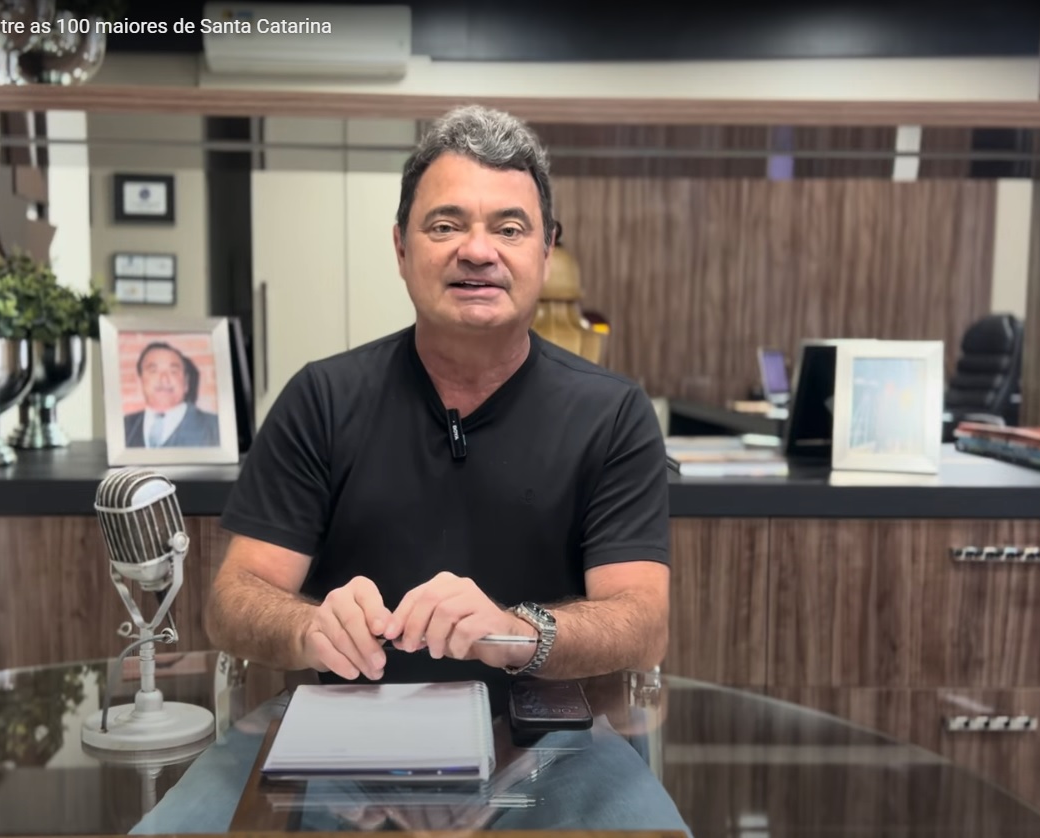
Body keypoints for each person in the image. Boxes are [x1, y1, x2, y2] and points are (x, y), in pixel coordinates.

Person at [132, 104, 684, 835]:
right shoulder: (323, 399)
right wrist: (308, 626)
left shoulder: (611, 414)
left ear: (547, 250)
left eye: (509, 228)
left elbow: (641, 621)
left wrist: (516, 632)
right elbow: (234, 599)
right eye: (445, 225)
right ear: (400, 247)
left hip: (549, 740)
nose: (477, 251)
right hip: (340, 734)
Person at [122, 341, 220, 448]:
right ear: (139, 381)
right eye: (153, 371)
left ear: (186, 383)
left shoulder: (216, 427)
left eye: (173, 371)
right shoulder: (122, 427)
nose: (164, 379)